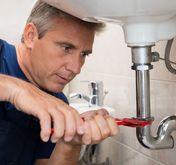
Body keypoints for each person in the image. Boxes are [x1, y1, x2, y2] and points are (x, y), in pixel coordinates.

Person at [0, 0, 119, 164]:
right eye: (66, 48)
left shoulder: (58, 105)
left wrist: (70, 142)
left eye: (84, 54)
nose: (76, 68)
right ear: (31, 36)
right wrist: (16, 90)